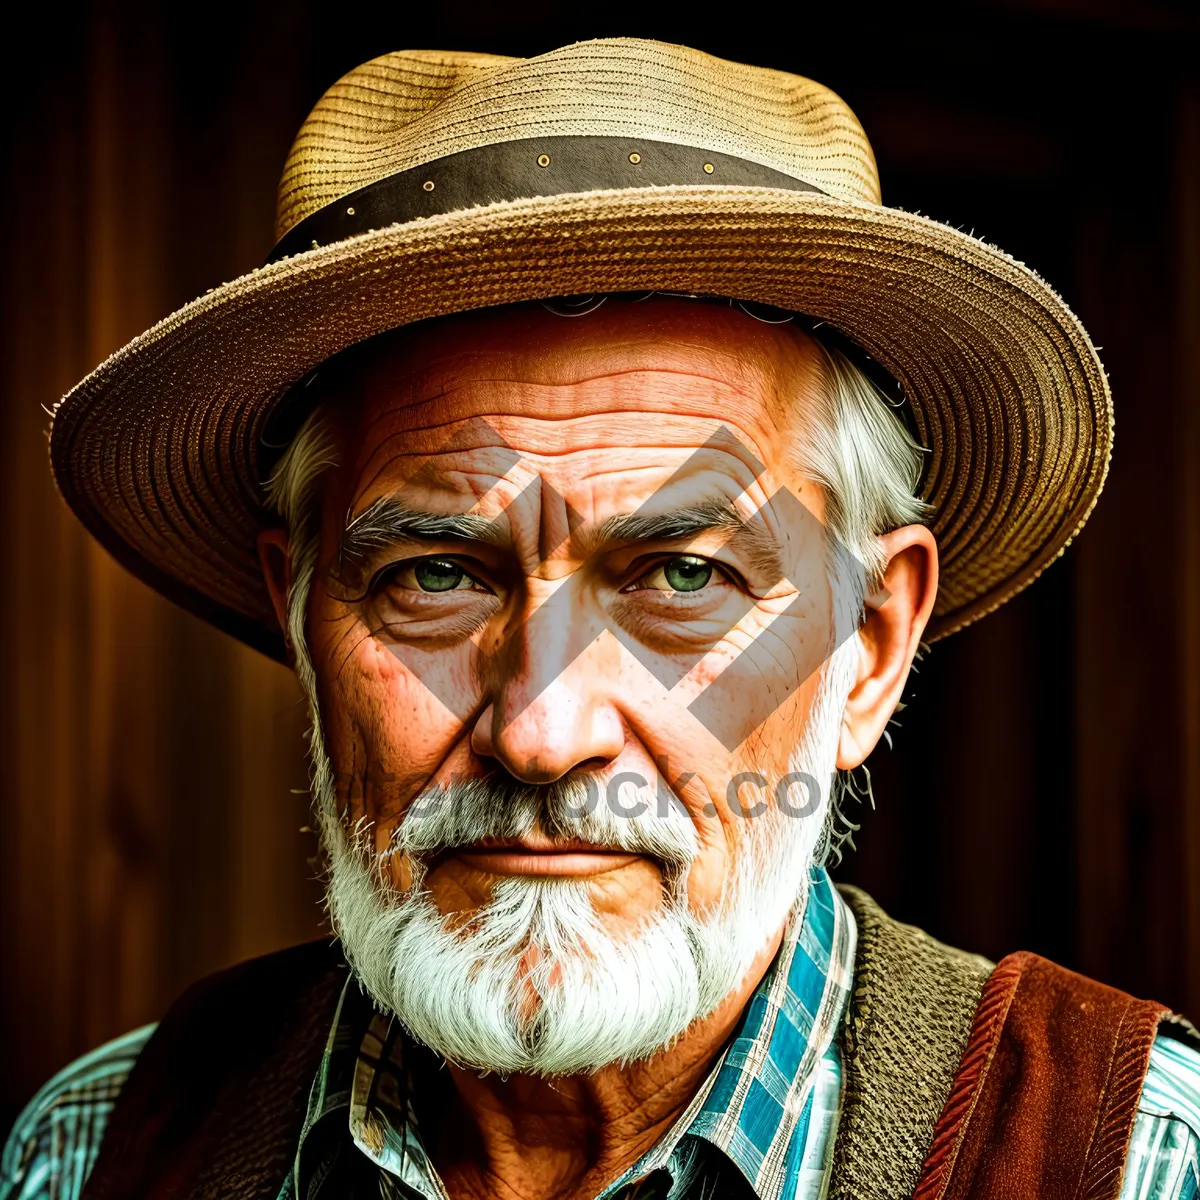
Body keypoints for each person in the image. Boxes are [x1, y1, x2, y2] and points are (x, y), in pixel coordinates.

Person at [5, 37, 1199, 1200]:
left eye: (681, 578)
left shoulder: (1140, 1161)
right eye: (436, 574)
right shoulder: (94, 1152)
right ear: (301, 607)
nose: (540, 732)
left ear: (871, 646)